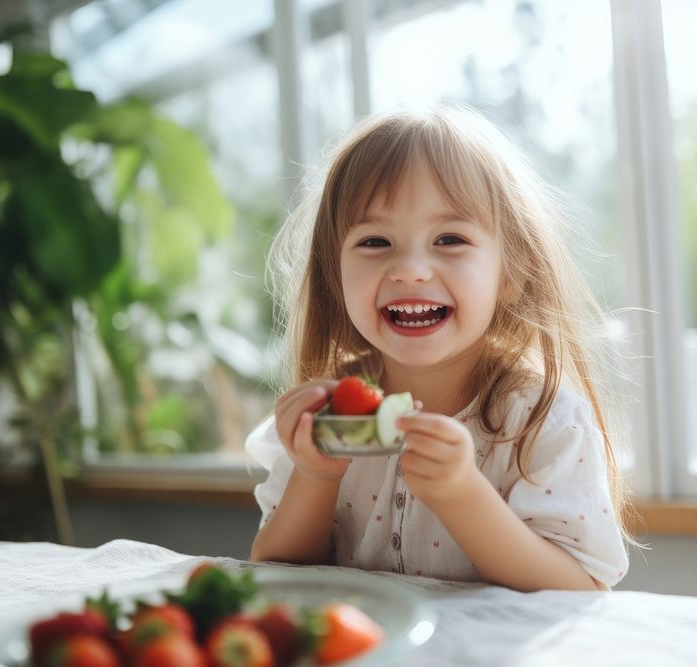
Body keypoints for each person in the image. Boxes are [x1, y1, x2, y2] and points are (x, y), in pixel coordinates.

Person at [246, 104, 633, 592]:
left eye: (449, 238)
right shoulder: (329, 415)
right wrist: (315, 475)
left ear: (512, 273)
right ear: (333, 274)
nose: (410, 269)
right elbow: (273, 571)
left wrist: (462, 495)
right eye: (374, 241)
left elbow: (581, 591)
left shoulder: (541, 422)